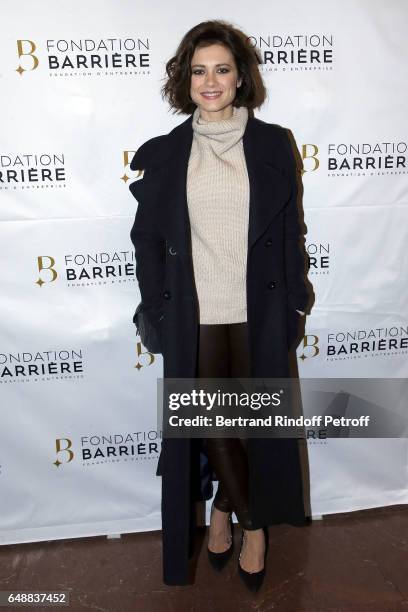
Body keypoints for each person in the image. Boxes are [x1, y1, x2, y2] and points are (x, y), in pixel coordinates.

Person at [129, 19, 313, 591]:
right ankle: (252, 522)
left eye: (222, 69)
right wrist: (155, 309)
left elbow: (290, 232)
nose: (210, 81)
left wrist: (297, 305)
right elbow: (147, 240)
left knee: (249, 422)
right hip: (193, 311)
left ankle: (223, 511)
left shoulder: (271, 142)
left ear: (240, 78)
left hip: (259, 308)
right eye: (198, 70)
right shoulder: (163, 153)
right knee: (210, 422)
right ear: (184, 80)